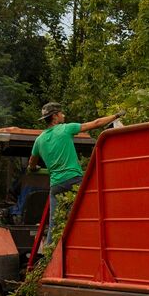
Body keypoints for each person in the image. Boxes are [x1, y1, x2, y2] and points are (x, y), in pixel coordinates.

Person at [28, 102, 124, 243]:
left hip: (56, 185)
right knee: (88, 212)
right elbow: (96, 123)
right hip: (74, 180)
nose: (63, 115)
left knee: (55, 223)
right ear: (55, 116)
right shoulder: (66, 129)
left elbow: (31, 163)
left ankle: (49, 254)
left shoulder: (39, 140)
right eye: (61, 113)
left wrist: (34, 169)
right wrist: (116, 115)